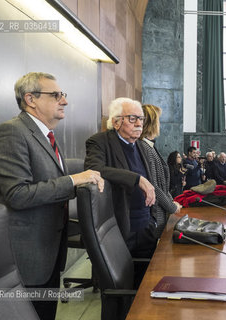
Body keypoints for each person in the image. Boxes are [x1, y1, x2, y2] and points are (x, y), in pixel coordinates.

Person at [0, 72, 104, 320]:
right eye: (56, 95)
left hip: (49, 249)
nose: (64, 101)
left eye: (63, 95)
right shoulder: (11, 132)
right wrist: (74, 180)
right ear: (30, 99)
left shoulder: (46, 134)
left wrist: (82, 183)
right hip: (23, 258)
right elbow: (17, 195)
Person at [84, 97, 157, 287]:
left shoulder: (141, 145)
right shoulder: (99, 142)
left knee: (144, 283)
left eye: (141, 119)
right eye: (133, 118)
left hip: (146, 225)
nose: (140, 123)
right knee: (122, 288)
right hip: (120, 225)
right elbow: (94, 169)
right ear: (116, 122)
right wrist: (136, 179)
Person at [139, 104, 182, 238]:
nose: (159, 124)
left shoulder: (149, 146)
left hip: (161, 212)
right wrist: (172, 207)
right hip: (155, 214)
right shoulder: (144, 147)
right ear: (152, 123)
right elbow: (154, 186)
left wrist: (171, 203)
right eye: (158, 120)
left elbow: (163, 185)